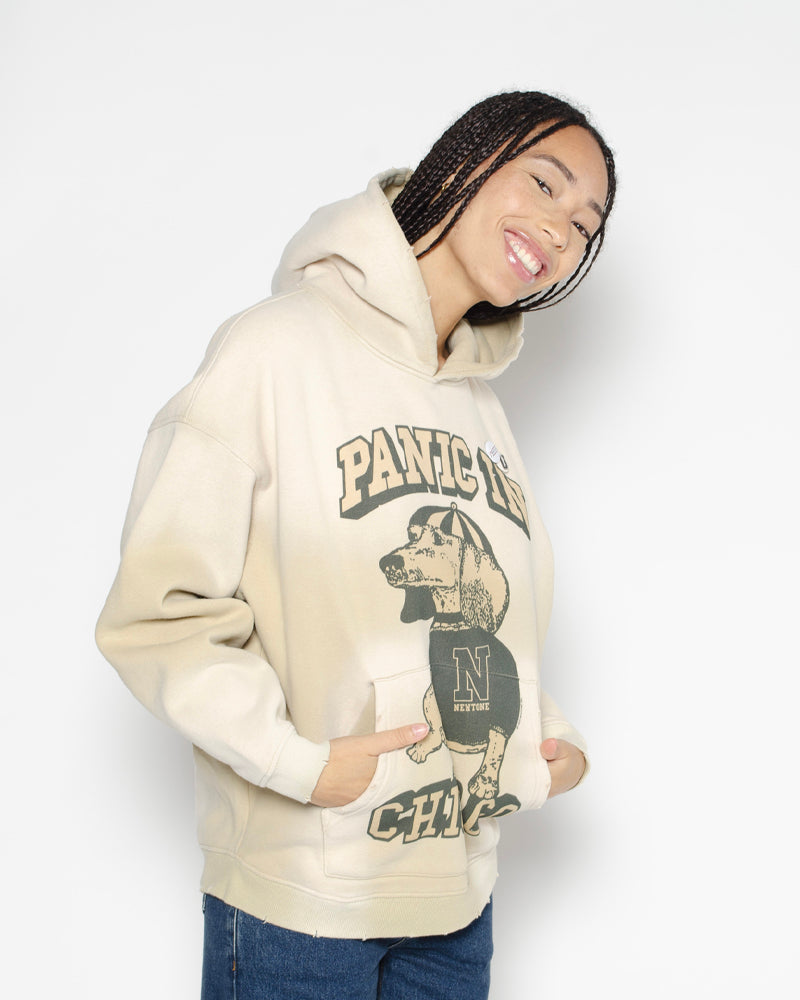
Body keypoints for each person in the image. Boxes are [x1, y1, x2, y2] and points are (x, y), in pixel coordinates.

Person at [96, 90, 616, 999]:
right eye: (545, 183)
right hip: (301, 901)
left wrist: (545, 738)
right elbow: (160, 614)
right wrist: (300, 766)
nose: (560, 229)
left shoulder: (481, 410)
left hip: (456, 899)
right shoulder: (273, 351)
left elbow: (485, 620)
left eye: (584, 224)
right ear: (467, 160)